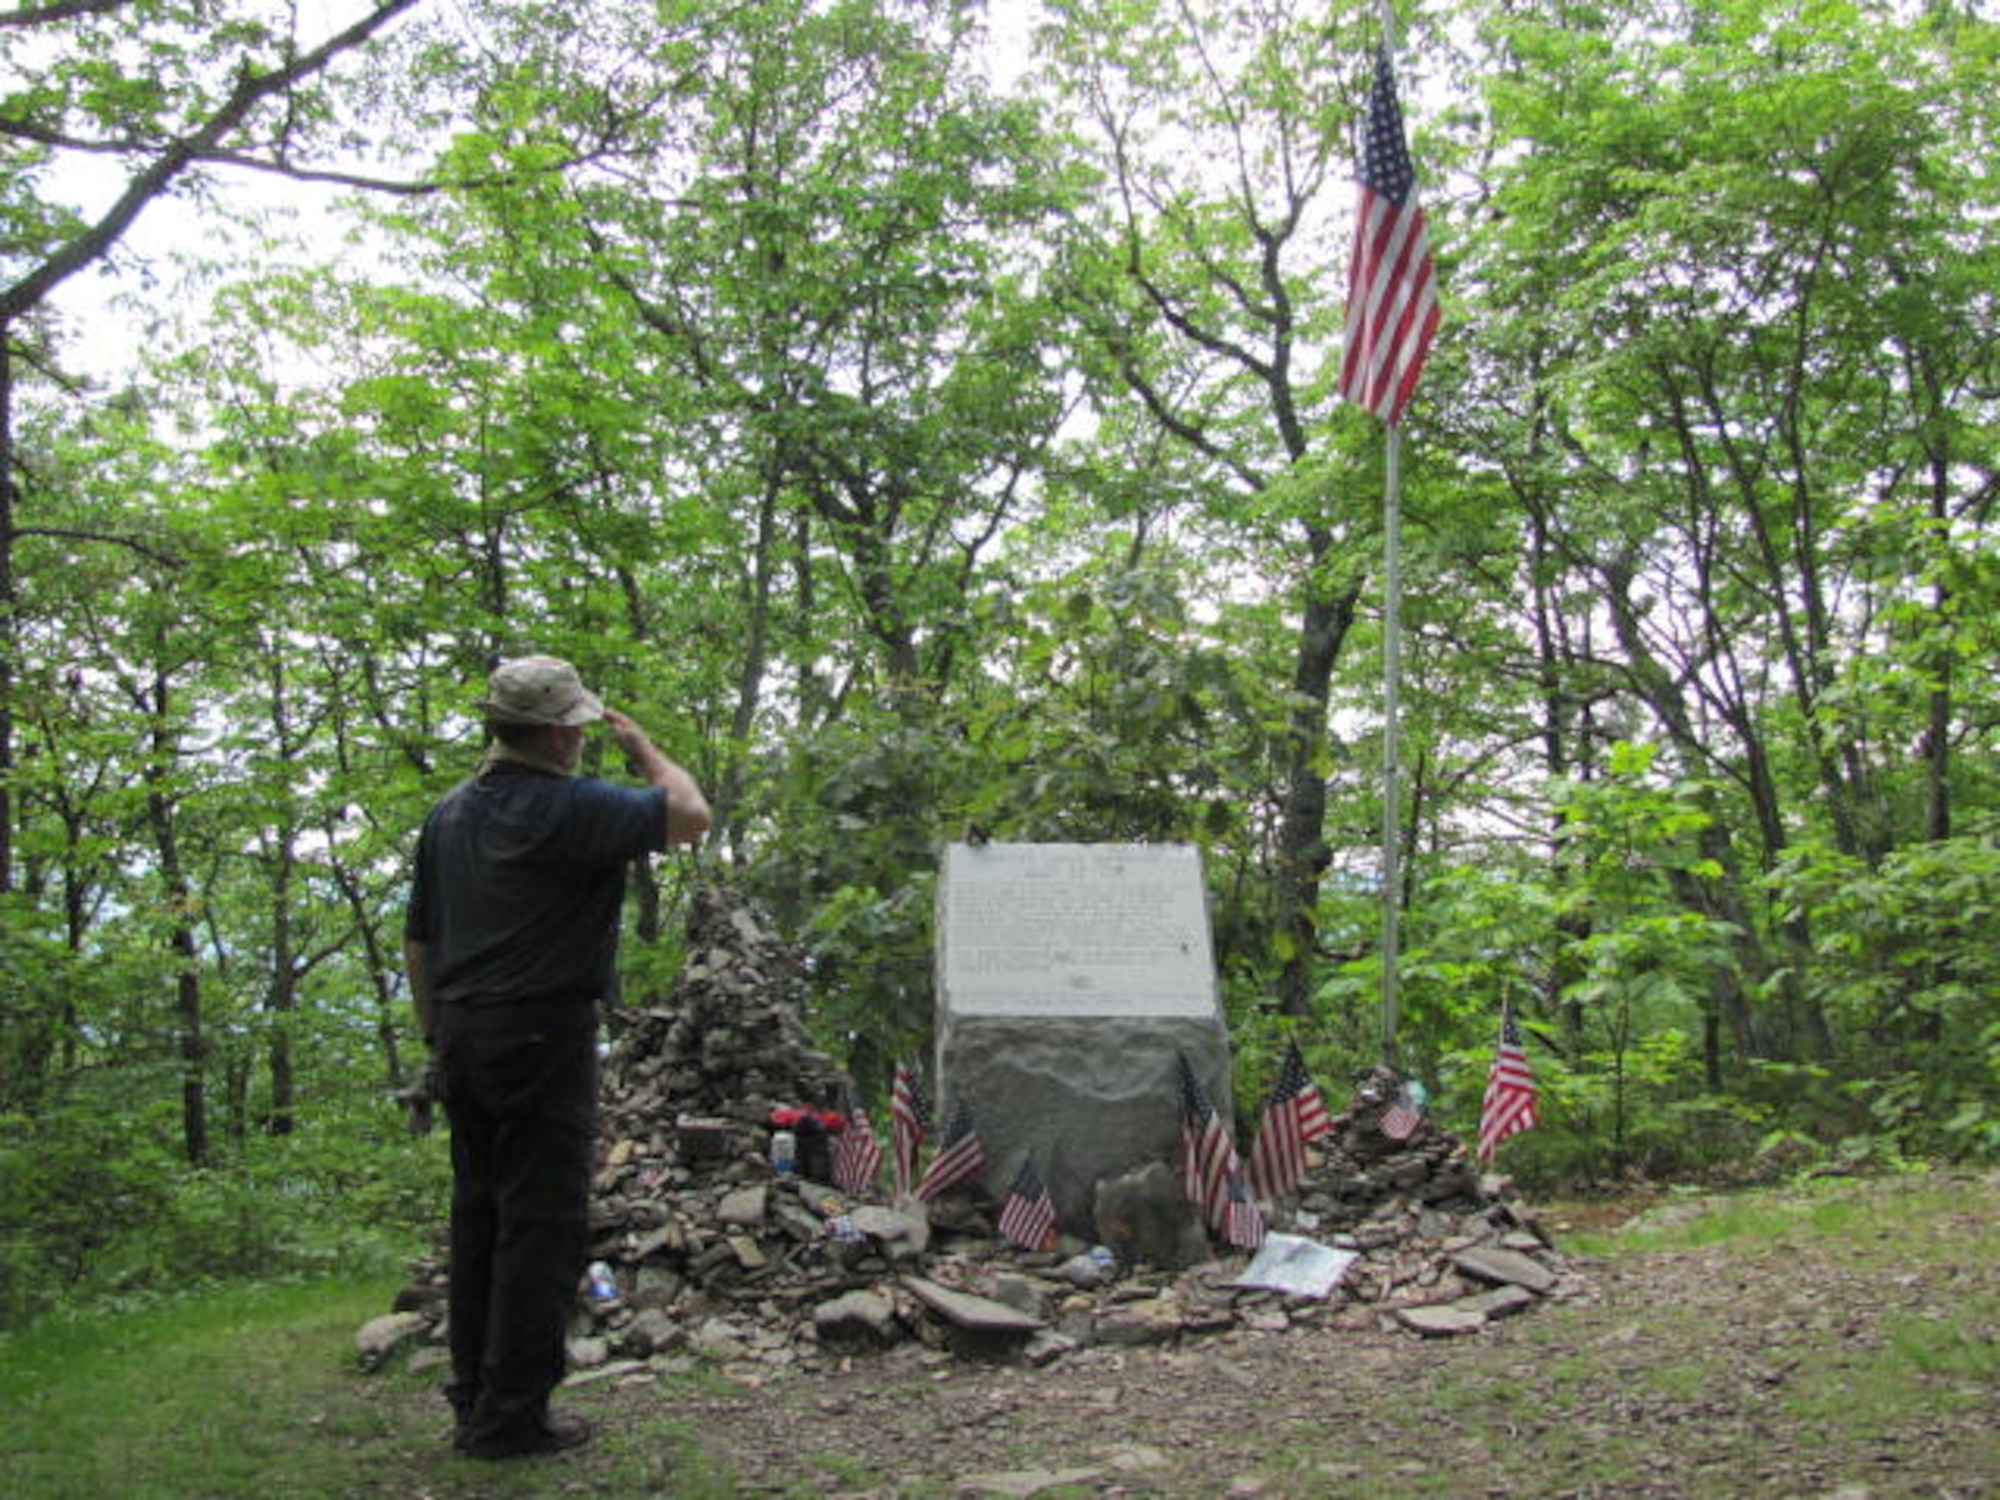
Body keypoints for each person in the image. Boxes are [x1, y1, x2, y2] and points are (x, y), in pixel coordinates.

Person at [403, 654, 710, 1460]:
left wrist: (436, 1039)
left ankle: (474, 1396)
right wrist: (644, 749)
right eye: (574, 726)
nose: (580, 738)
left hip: (464, 1033)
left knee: (479, 1216)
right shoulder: (570, 809)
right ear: (555, 735)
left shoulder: (449, 815)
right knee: (540, 1223)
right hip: (543, 1032)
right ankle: (511, 1418)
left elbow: (419, 942)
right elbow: (690, 814)